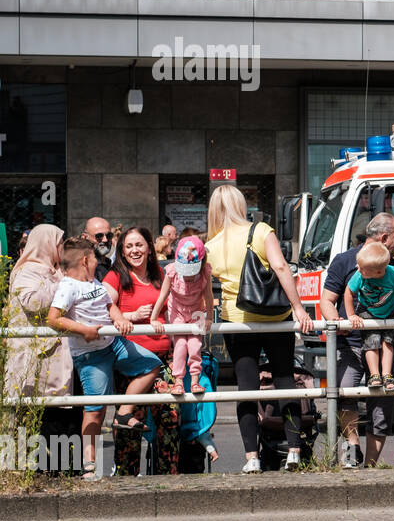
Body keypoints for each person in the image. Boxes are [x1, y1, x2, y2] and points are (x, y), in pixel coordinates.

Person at [205, 184, 314, 473]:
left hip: (237, 320)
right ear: (241, 205)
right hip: (275, 318)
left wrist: (206, 317)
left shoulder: (210, 246)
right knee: (284, 380)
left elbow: (206, 288)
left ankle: (251, 457)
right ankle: (293, 451)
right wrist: (299, 308)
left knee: (246, 388)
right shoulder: (261, 230)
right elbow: (281, 268)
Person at [48, 239, 162, 480]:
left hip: (114, 343)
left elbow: (109, 304)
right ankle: (89, 464)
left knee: (151, 364)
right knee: (95, 410)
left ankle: (124, 412)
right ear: (85, 261)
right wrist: (83, 330)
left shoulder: (94, 281)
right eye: (95, 258)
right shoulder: (68, 286)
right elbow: (54, 319)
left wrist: (119, 318)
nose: (98, 262)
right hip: (91, 355)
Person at [318, 213, 394, 468]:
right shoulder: (345, 261)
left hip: (384, 343)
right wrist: (337, 321)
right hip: (351, 343)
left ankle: (371, 465)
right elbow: (327, 300)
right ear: (385, 237)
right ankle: (352, 446)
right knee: (345, 393)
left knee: (383, 403)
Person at [102, 226, 179, 474]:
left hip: (163, 359)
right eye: (129, 246)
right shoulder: (116, 276)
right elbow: (101, 305)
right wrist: (130, 316)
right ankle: (126, 480)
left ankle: (169, 479)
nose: (135, 251)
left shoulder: (160, 273)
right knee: (129, 427)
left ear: (148, 247)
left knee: (170, 419)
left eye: (139, 245)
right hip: (133, 363)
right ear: (122, 252)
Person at [3, 224, 76, 468]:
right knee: (37, 418)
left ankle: (57, 469)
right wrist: (65, 286)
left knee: (56, 417)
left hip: (53, 358)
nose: (63, 249)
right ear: (47, 243)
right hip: (35, 361)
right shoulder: (28, 270)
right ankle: (35, 471)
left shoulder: (55, 271)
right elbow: (33, 301)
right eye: (59, 243)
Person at [344, 241, 394, 393]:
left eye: (363, 269)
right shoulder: (359, 275)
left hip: (389, 311)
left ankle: (387, 375)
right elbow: (348, 292)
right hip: (367, 311)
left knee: (388, 341)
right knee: (371, 340)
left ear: (378, 272)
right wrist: (351, 315)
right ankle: (374, 375)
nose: (358, 269)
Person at [149, 236, 214, 398]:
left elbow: (209, 296)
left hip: (196, 312)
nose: (188, 276)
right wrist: (153, 318)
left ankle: (194, 380)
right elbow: (163, 295)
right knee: (180, 345)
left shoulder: (205, 272)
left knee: (194, 345)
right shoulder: (172, 272)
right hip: (177, 311)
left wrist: (209, 317)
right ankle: (178, 380)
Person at [81, 216, 114, 281]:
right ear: (84, 237)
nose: (105, 240)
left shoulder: (111, 264)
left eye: (109, 235)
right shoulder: (82, 267)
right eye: (99, 236)